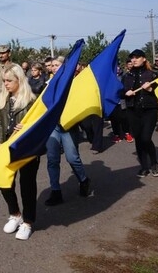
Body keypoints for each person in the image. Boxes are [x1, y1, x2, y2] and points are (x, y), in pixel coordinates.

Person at [0, 64, 38, 241]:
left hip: (26, 148)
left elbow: (39, 125)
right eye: (4, 80)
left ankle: (27, 222)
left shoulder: (32, 101)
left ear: (19, 80)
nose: (5, 84)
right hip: (7, 147)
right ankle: (15, 214)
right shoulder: (4, 100)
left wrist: (26, 127)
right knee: (3, 181)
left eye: (9, 80)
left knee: (27, 185)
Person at [44, 56, 91, 206]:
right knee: (52, 159)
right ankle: (55, 191)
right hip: (52, 126)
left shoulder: (73, 83)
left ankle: (83, 180)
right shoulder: (49, 83)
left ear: (64, 67)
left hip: (68, 126)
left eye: (56, 65)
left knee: (72, 158)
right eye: (52, 65)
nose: (53, 68)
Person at [123, 49, 158, 178]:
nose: (134, 60)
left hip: (149, 110)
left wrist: (150, 89)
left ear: (144, 59)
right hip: (133, 111)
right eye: (132, 58)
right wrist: (125, 93)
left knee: (146, 138)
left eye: (137, 57)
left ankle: (154, 162)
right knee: (138, 139)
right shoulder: (127, 76)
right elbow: (119, 92)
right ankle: (144, 166)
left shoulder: (152, 74)